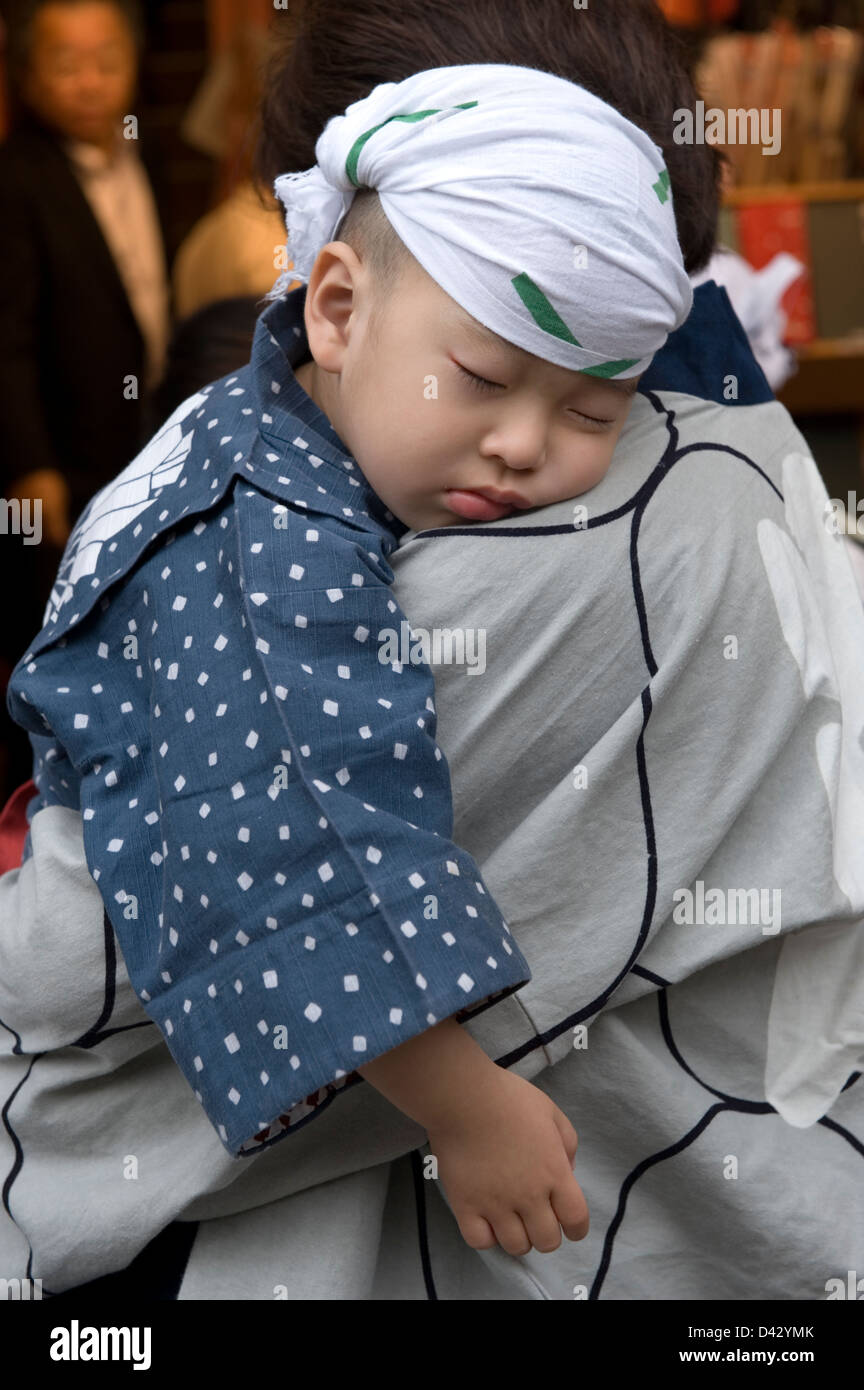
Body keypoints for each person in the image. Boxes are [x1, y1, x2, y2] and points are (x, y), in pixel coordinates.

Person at [1, 0, 861, 1302]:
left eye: (591, 406)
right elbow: (289, 836)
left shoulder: (325, 413)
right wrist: (464, 1101)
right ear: (336, 301)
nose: (527, 448)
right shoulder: (259, 542)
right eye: (483, 374)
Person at [0, 0, 170, 801]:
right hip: (59, 452)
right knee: (52, 623)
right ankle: (46, 796)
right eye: (66, 64)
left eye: (105, 59)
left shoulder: (148, 153)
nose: (89, 81)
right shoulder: (15, 177)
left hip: (131, 437)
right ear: (28, 74)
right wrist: (30, 464)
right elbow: (7, 338)